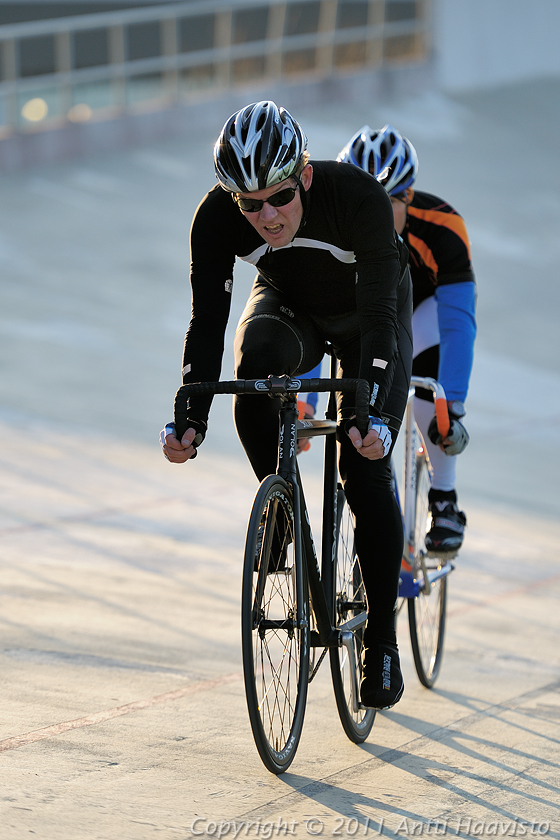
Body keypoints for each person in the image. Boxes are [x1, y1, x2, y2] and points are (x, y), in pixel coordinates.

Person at [161, 101, 413, 710]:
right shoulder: (217, 220)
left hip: (369, 321)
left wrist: (372, 412)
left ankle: (380, 641)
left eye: (277, 197)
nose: (267, 216)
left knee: (364, 466)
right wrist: (190, 412)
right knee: (254, 373)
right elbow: (207, 324)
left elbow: (380, 320)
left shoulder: (357, 199)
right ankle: (287, 517)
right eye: (250, 205)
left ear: (302, 175)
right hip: (291, 307)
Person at [337, 124, 476, 556]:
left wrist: (450, 404)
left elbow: (458, 321)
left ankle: (444, 499)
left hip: (426, 309)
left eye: (385, 202)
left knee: (424, 401)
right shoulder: (335, 224)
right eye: (361, 201)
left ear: (408, 198)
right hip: (370, 309)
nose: (371, 213)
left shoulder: (443, 227)